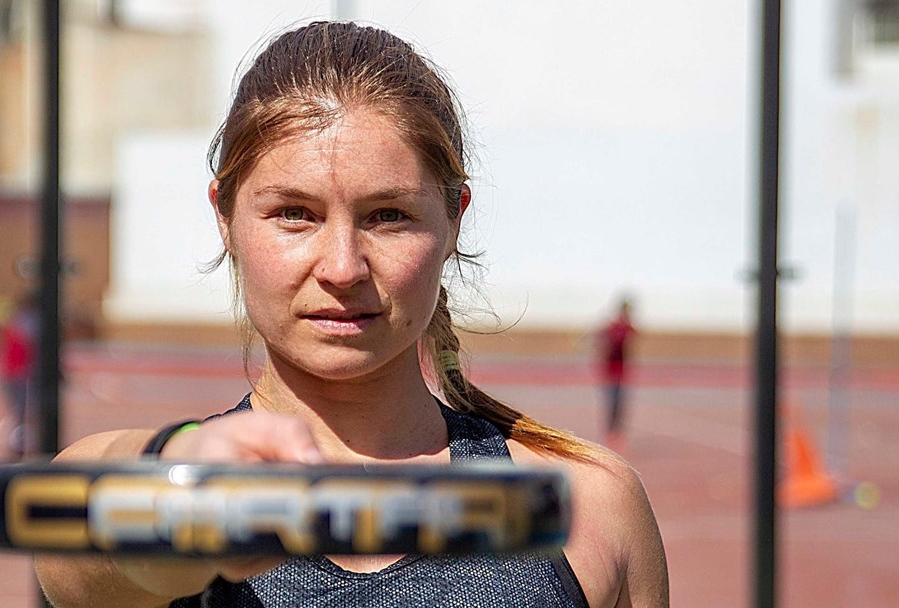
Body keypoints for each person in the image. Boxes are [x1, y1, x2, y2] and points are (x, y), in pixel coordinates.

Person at [35, 21, 668, 607]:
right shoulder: (151, 479)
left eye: (388, 216)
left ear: (453, 221)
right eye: (294, 213)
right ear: (225, 217)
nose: (342, 267)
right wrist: (187, 480)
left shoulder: (590, 508)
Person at [0, 291, 39, 458]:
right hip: (19, 374)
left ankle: (19, 444)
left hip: (13, 373)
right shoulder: (26, 321)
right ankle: (16, 446)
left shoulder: (18, 320)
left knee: (21, 412)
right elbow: (30, 347)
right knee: (22, 412)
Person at [596, 297, 636, 452]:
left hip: (622, 373)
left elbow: (633, 336)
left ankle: (617, 434)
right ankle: (610, 434)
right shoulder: (613, 327)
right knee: (611, 404)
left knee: (620, 406)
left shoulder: (626, 327)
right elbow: (607, 345)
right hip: (610, 373)